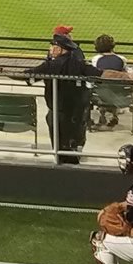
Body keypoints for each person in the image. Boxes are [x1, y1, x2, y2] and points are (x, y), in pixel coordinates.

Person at [23, 27, 92, 165]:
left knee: (60, 140)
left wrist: (2, 72)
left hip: (59, 108)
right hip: (74, 107)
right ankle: (72, 156)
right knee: (72, 138)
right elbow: (99, 74)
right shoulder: (77, 58)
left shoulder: (51, 64)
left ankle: (63, 159)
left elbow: (28, 74)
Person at [91, 33, 133, 130]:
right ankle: (113, 115)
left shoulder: (95, 59)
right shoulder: (122, 59)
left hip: (100, 93)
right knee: (114, 86)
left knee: (101, 87)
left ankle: (103, 116)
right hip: (120, 94)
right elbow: (128, 73)